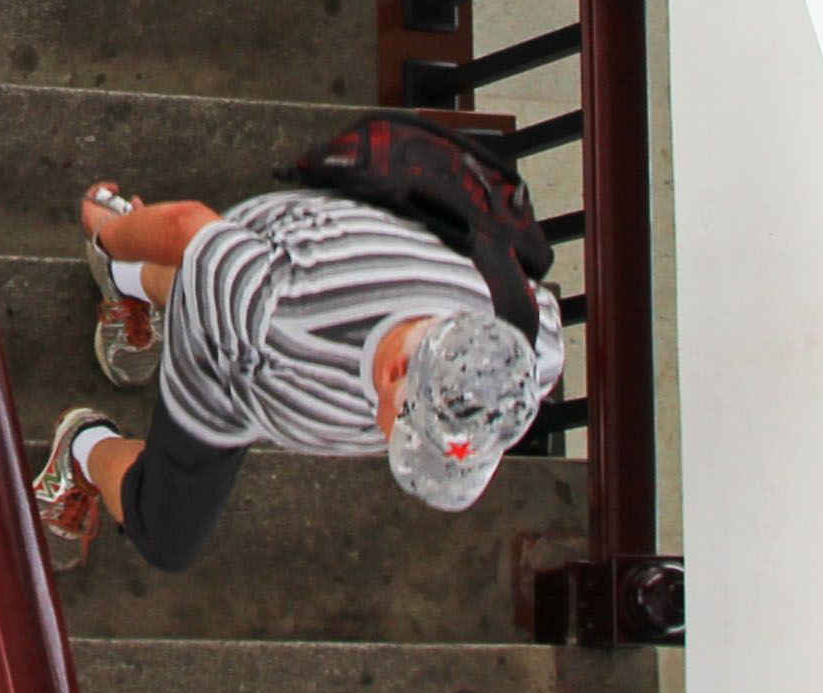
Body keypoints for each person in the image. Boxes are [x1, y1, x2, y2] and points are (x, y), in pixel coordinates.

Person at [32, 173, 560, 572]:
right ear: (398, 368)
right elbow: (190, 229)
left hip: (278, 278)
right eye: (406, 427)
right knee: (168, 532)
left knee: (216, 286)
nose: (400, 445)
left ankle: (128, 282)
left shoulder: (532, 350)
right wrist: (109, 233)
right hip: (241, 349)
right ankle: (82, 446)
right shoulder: (280, 312)